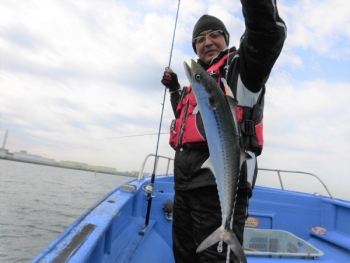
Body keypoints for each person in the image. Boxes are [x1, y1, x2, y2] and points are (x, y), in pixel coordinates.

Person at [161, 1, 286, 262]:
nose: (207, 42)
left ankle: (226, 231)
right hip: (184, 186)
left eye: (214, 35)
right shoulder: (198, 84)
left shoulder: (243, 71)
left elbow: (266, 35)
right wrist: (174, 88)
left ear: (226, 39)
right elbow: (188, 120)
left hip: (220, 185)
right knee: (184, 255)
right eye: (200, 38)